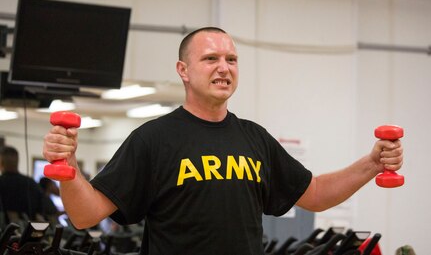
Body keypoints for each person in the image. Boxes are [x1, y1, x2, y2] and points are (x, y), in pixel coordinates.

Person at [42, 27, 403, 255]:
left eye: (232, 59)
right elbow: (84, 214)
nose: (224, 67)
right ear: (183, 70)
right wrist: (69, 168)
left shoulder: (254, 138)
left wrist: (371, 164)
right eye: (211, 58)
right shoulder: (152, 140)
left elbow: (316, 194)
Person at [0, 146, 44, 223]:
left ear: (1, 162)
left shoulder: (1, 182)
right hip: (31, 231)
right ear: (17, 161)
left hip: (5, 232)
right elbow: (41, 211)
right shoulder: (32, 183)